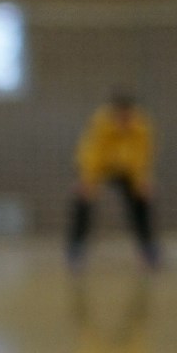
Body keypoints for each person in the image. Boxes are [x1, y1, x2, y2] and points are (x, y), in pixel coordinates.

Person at [69, 90, 160, 271]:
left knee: (141, 203)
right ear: (114, 112)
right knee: (82, 201)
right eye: (120, 115)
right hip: (101, 167)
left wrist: (143, 180)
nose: (123, 119)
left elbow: (144, 155)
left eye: (127, 115)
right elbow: (90, 152)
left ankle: (147, 249)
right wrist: (86, 180)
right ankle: (76, 250)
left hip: (129, 170)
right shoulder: (100, 124)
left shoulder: (142, 126)